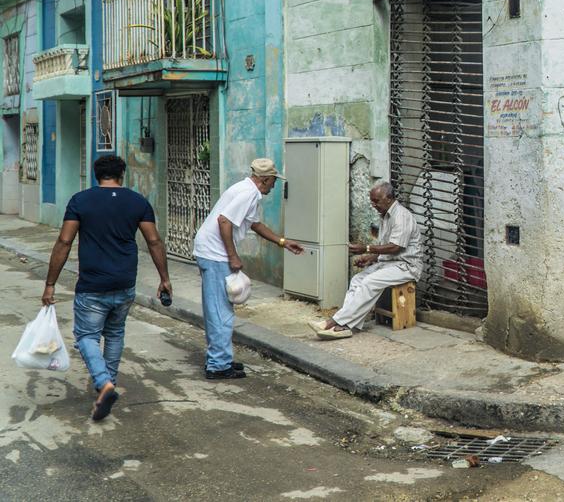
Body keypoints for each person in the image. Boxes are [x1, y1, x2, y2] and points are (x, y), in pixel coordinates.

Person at [41, 154, 172, 422]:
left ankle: (104, 383)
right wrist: (164, 278)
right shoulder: (138, 202)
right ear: (122, 175)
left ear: (96, 175)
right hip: (125, 282)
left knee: (86, 336)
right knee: (114, 333)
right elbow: (154, 241)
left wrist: (50, 283)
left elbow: (64, 242)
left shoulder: (80, 201)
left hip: (92, 284)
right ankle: (108, 384)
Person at [193, 157, 304, 379]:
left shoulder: (247, 190)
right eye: (274, 181)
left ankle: (220, 359)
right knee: (220, 311)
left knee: (218, 309)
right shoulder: (248, 193)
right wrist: (232, 256)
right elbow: (224, 221)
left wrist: (282, 242)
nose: (274, 185)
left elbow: (255, 224)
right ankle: (218, 365)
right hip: (215, 254)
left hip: (210, 251)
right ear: (265, 179)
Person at [310, 181, 423, 339]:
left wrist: (367, 248)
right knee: (357, 280)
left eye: (376, 201)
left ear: (389, 198)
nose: (373, 205)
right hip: (391, 264)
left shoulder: (401, 216)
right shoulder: (385, 216)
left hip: (407, 266)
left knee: (370, 282)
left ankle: (335, 322)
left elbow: (395, 247)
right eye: (372, 201)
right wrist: (370, 258)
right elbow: (386, 248)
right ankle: (347, 326)